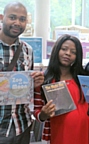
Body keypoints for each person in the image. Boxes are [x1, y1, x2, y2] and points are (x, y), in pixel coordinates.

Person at [33, 34, 89, 144]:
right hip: (57, 135)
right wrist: (44, 114)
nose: (68, 53)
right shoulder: (43, 80)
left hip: (85, 133)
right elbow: (36, 112)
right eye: (64, 49)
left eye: (73, 52)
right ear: (56, 50)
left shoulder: (84, 78)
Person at [0, 2, 44, 144]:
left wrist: (35, 82)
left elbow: (27, 87)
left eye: (22, 19)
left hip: (22, 125)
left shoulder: (28, 50)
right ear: (2, 17)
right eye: (12, 17)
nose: (17, 23)